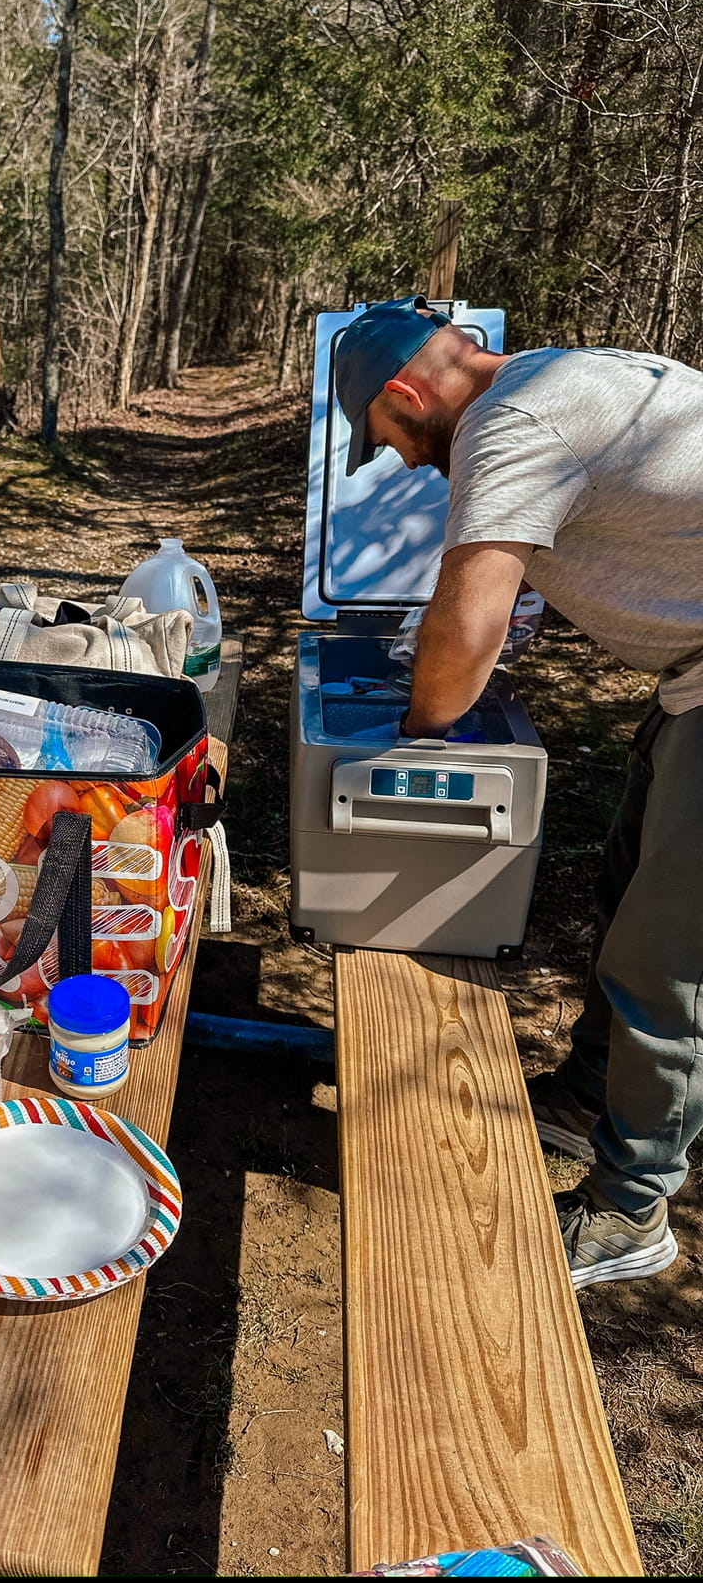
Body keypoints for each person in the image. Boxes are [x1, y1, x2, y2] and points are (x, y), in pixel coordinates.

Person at [333, 296, 703, 1287]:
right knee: (626, 893)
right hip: (693, 678)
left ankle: (632, 1209)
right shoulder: (553, 373)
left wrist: (405, 745)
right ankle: (589, 1099)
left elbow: (467, 631)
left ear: (409, 393)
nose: (409, 464)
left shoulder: (511, 421)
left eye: (396, 441)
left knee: (670, 960)